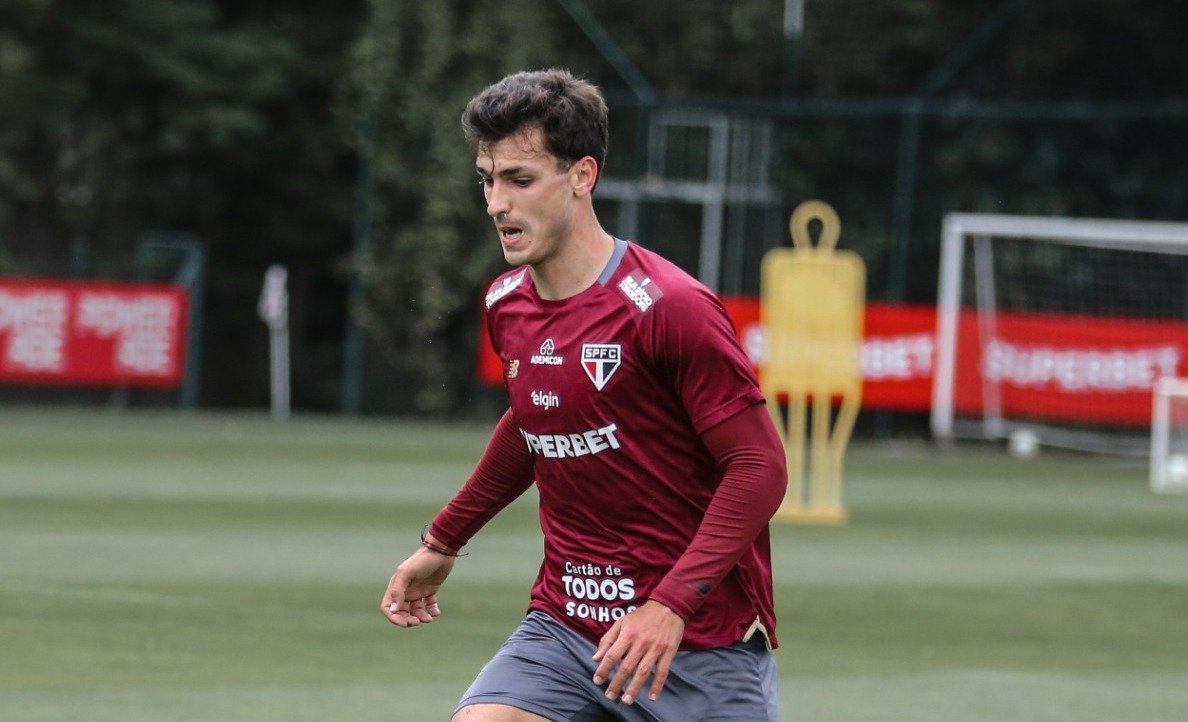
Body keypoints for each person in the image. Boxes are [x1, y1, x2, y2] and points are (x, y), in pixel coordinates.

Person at [381, 68, 788, 722]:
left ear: (582, 176)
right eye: (487, 180)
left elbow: (760, 467)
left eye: (519, 180)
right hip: (565, 630)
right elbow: (534, 421)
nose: (495, 204)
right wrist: (444, 540)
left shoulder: (670, 308)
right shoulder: (506, 304)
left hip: (696, 641)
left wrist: (670, 604)